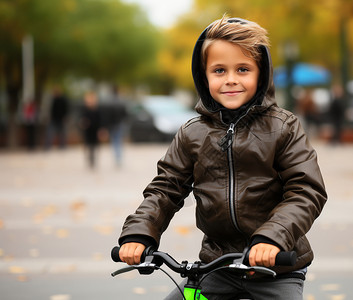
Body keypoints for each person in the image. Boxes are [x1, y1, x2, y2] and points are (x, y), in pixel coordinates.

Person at [117, 16, 327, 300]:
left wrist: (272, 238)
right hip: (217, 265)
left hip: (276, 266)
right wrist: (140, 233)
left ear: (261, 74)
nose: (231, 79)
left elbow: (306, 190)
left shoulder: (283, 126)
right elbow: (164, 189)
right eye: (219, 70)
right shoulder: (193, 133)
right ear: (204, 76)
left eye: (243, 69)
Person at [79, 91, 102, 169]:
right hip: (88, 130)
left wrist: (101, 130)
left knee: (94, 146)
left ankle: (93, 160)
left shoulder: (97, 110)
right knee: (88, 146)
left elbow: (100, 121)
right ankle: (90, 160)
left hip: (95, 130)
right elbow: (82, 120)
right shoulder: (85, 110)